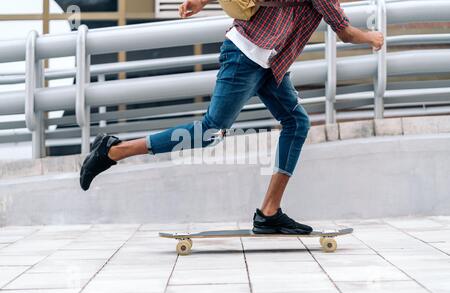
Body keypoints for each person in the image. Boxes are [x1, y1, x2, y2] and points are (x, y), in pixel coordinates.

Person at [80, 0, 384, 235]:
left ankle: (268, 213)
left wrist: (199, 2)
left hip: (266, 60)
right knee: (210, 131)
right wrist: (373, 36)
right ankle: (113, 150)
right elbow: (344, 32)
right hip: (247, 56)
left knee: (296, 122)